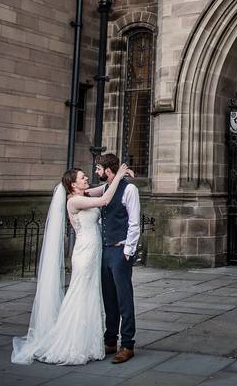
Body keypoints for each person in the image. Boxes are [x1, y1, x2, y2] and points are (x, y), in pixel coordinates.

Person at [11, 165, 131, 365]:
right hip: (84, 254)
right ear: (73, 185)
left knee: (91, 295)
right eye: (83, 178)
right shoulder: (74, 201)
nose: (87, 179)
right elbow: (105, 199)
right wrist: (118, 175)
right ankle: (71, 343)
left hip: (93, 253)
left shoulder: (83, 194)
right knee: (80, 294)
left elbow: (103, 189)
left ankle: (88, 343)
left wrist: (113, 177)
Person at [96, 153, 140, 364]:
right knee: (109, 298)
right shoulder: (105, 189)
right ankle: (110, 340)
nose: (96, 172)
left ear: (108, 170)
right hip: (105, 250)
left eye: (98, 169)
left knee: (124, 299)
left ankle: (128, 344)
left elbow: (134, 222)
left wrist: (128, 251)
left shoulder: (129, 189)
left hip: (120, 251)